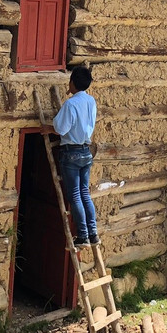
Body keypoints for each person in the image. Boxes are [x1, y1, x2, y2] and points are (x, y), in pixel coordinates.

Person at [52, 65, 99, 248]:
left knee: (75, 196)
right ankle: (93, 233)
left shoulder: (70, 104)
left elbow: (61, 128)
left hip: (71, 152)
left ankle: (82, 236)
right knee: (85, 194)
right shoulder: (91, 102)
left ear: (72, 83)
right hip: (86, 152)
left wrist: (51, 126)